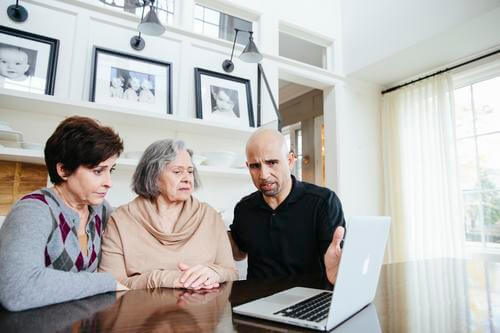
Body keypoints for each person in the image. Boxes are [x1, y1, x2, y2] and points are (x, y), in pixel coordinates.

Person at [0, 116, 128, 312]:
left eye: (111, 170)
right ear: (64, 169)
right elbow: (18, 289)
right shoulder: (33, 210)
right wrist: (106, 283)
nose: (108, 182)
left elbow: (137, 231)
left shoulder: (101, 209)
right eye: (98, 171)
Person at [99, 139, 238, 290]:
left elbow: (231, 273)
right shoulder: (121, 219)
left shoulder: (210, 216)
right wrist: (162, 278)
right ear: (153, 176)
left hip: (203, 309)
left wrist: (214, 273)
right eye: (177, 171)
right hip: (142, 311)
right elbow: (110, 285)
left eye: (190, 171)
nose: (187, 178)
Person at [228, 128, 346, 284]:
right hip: (257, 302)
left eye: (272, 163)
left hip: (309, 300)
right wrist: (214, 229)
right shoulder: (244, 208)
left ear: (290, 160)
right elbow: (239, 253)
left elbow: (337, 260)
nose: (264, 174)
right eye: (255, 166)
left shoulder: (323, 202)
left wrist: (340, 270)